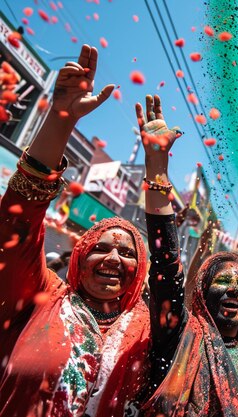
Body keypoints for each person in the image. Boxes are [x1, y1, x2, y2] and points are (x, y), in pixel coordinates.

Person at [0, 45, 151, 416]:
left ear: (141, 271)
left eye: (129, 253)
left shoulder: (150, 332)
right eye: (101, 248)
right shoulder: (41, 297)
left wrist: (158, 173)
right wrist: (61, 118)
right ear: (80, 257)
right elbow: (17, 221)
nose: (114, 258)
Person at [137, 95, 238, 416]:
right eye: (222, 281)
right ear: (203, 295)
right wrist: (157, 172)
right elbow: (167, 267)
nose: (234, 289)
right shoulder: (181, 336)